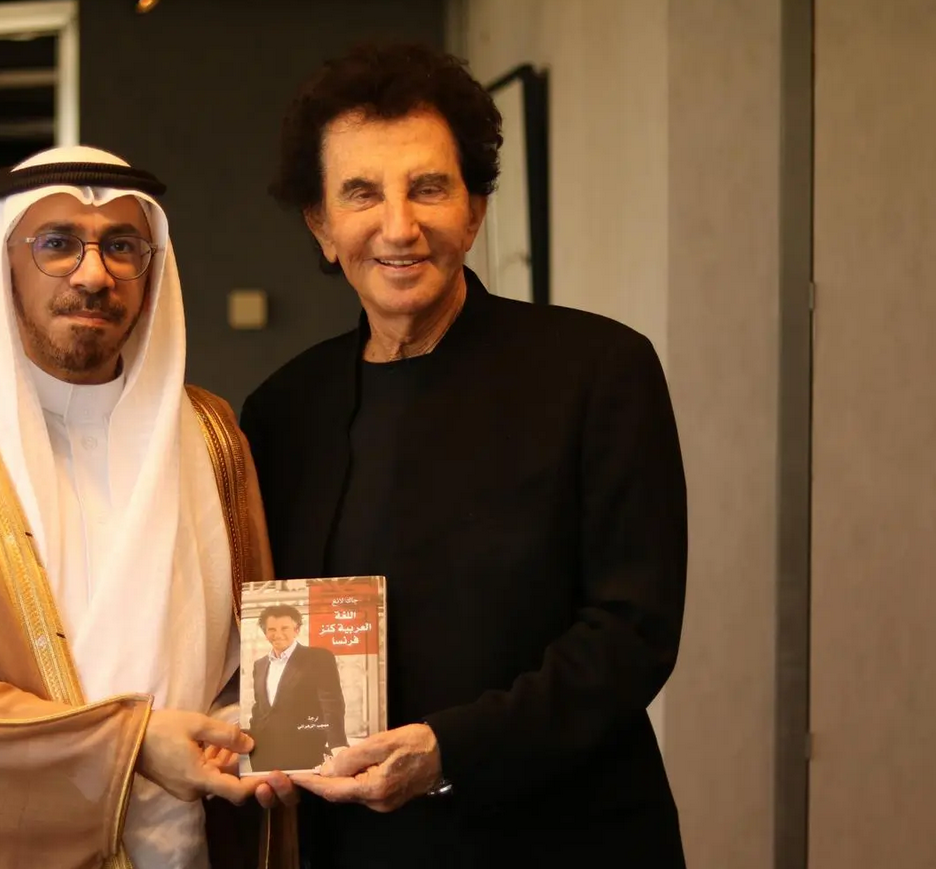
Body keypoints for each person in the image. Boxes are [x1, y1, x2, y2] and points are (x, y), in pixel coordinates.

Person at [238, 43, 689, 868]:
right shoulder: (282, 411)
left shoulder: (599, 370)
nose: (399, 226)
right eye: (362, 193)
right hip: (354, 844)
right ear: (321, 226)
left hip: (566, 836)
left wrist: (451, 750)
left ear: (475, 211)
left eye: (429, 188)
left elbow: (633, 634)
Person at [0, 145, 291, 869]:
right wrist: (127, 742)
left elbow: (251, 647)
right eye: (58, 244)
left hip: (178, 843)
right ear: (4, 263)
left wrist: (237, 725)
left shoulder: (212, 434)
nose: (93, 275)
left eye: (121, 247)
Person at [246, 605, 348, 773]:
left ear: (297, 630)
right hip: (264, 753)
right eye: (272, 629)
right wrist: (253, 740)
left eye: (284, 628)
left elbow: (332, 703)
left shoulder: (318, 657)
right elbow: (260, 706)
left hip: (305, 751)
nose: (278, 634)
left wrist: (337, 744)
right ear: (265, 633)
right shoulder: (260, 665)